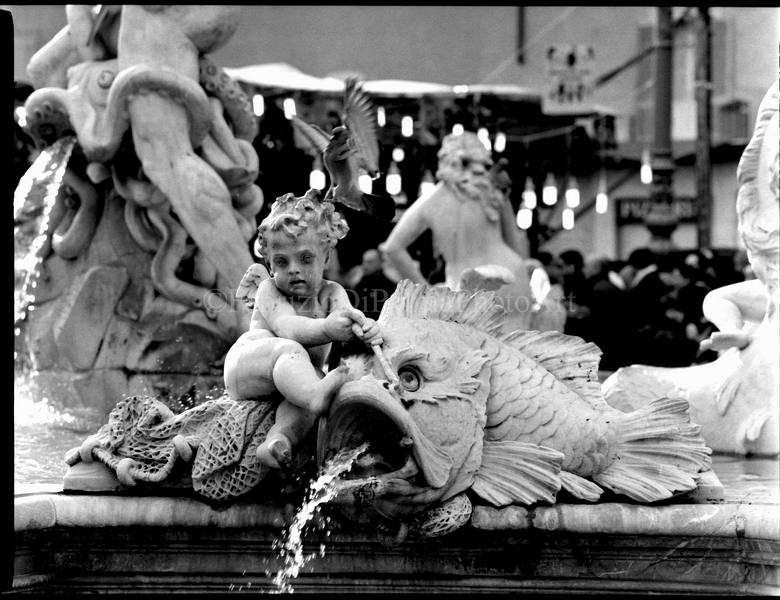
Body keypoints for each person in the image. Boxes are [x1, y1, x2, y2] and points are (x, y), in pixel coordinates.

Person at [223, 189, 383, 470]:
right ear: (270, 263)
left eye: (305, 259)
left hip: (295, 384)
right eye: (282, 262)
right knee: (292, 351)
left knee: (304, 405)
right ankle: (313, 394)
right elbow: (289, 327)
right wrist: (328, 327)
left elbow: (349, 317)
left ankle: (277, 442)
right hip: (249, 367)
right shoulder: (269, 289)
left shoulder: (332, 292)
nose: (294, 269)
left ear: (326, 258)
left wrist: (368, 329)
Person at [381, 131, 533, 334]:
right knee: (519, 354)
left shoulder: (432, 200)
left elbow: (392, 249)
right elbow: (515, 242)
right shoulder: (492, 190)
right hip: (512, 274)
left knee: (471, 359)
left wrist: (426, 291)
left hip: (465, 287)